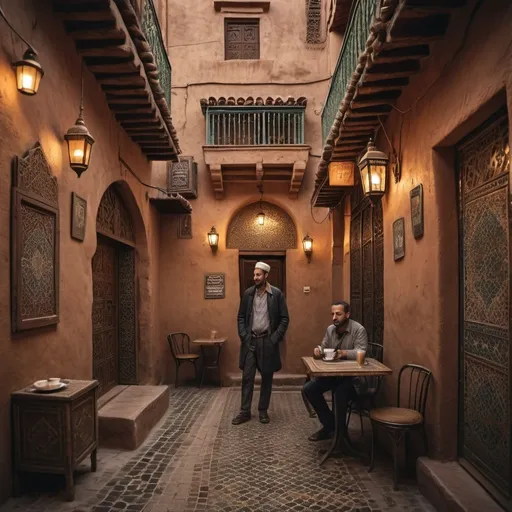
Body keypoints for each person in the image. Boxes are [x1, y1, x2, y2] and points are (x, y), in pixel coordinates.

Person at [232, 261, 290, 425]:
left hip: (267, 342)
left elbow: (285, 319)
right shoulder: (248, 294)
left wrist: (274, 339)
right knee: (247, 377)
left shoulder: (276, 294)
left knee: (267, 378)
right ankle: (244, 412)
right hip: (250, 341)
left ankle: (263, 411)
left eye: (258, 275)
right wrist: (244, 335)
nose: (255, 277)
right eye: (254, 274)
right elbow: (241, 317)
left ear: (266, 275)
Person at [303, 301, 368, 441]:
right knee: (309, 388)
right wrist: (318, 351)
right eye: (332, 314)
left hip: (353, 378)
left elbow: (361, 352)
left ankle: (341, 436)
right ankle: (331, 426)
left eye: (338, 314)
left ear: (347, 315)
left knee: (340, 393)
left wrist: (342, 354)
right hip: (333, 375)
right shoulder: (330, 329)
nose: (334, 317)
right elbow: (323, 348)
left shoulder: (358, 330)